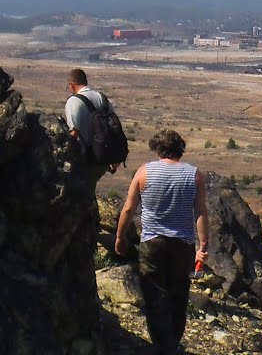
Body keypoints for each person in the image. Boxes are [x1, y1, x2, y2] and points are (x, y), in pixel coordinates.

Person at [115, 130, 209, 355]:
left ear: (158, 149)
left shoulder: (144, 172)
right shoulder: (194, 175)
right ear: (180, 149)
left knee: (154, 296)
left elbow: (129, 208)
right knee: (178, 296)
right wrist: (203, 245)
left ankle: (162, 346)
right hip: (183, 245)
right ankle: (172, 344)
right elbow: (201, 212)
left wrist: (120, 237)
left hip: (152, 242)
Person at [64, 68, 117, 180]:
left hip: (85, 158)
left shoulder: (73, 101)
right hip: (103, 156)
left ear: (71, 85)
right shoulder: (101, 98)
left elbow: (74, 132)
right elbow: (113, 123)